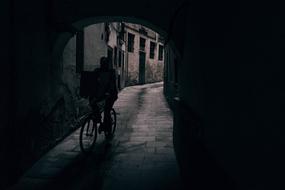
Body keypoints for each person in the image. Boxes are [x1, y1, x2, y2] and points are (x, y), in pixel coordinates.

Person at [89, 56, 118, 134]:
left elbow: (112, 84)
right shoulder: (97, 71)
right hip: (101, 94)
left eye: (105, 63)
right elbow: (92, 80)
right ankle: (98, 118)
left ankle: (108, 129)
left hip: (111, 95)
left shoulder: (111, 72)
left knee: (107, 110)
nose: (104, 64)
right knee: (92, 103)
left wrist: (108, 92)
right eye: (102, 63)